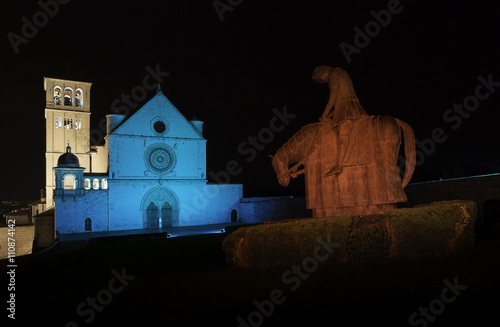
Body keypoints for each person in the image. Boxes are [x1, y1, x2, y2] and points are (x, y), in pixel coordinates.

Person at [312, 66, 368, 175]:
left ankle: (339, 165)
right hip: (345, 107)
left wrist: (324, 115)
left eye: (320, 79)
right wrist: (327, 116)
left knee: (343, 133)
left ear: (322, 73)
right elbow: (338, 103)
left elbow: (333, 97)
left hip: (348, 109)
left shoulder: (334, 73)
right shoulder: (339, 72)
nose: (322, 82)